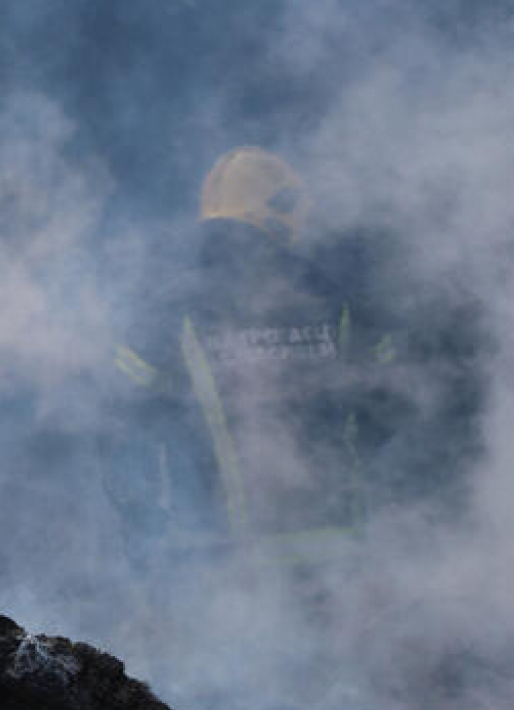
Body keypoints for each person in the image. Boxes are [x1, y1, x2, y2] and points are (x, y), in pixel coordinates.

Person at [106, 147, 400, 572]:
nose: (304, 218)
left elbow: (120, 428)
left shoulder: (167, 301)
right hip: (334, 557)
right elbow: (392, 400)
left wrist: (146, 537)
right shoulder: (333, 293)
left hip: (208, 560)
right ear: (273, 208)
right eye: (295, 205)